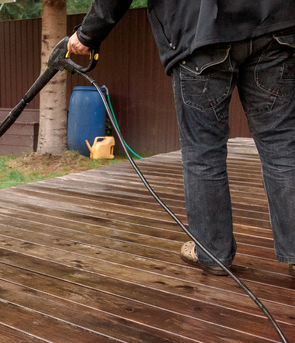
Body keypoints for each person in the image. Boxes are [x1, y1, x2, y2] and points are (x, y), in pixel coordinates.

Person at [68, 2, 295, 278]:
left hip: (199, 33)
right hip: (274, 25)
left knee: (203, 152)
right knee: (282, 144)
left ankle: (213, 254)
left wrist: (87, 35)